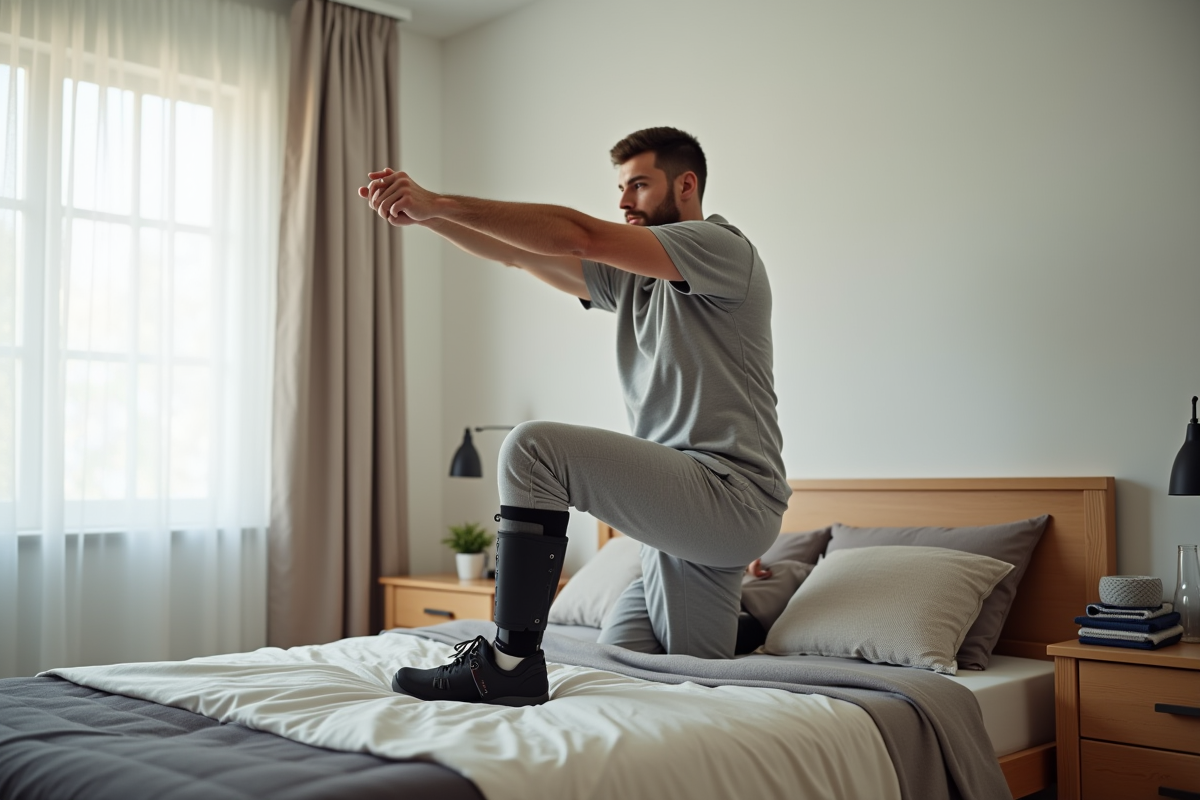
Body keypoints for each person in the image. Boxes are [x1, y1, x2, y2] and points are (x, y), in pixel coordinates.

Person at [359, 127, 790, 706]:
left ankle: (509, 662)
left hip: (727, 493)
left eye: (638, 184)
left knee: (534, 449)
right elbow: (518, 252)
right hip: (683, 512)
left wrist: (438, 199)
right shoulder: (640, 279)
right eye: (619, 187)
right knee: (643, 658)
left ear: (686, 185)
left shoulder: (719, 248)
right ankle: (760, 613)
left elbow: (582, 237)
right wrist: (427, 218)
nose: (623, 201)